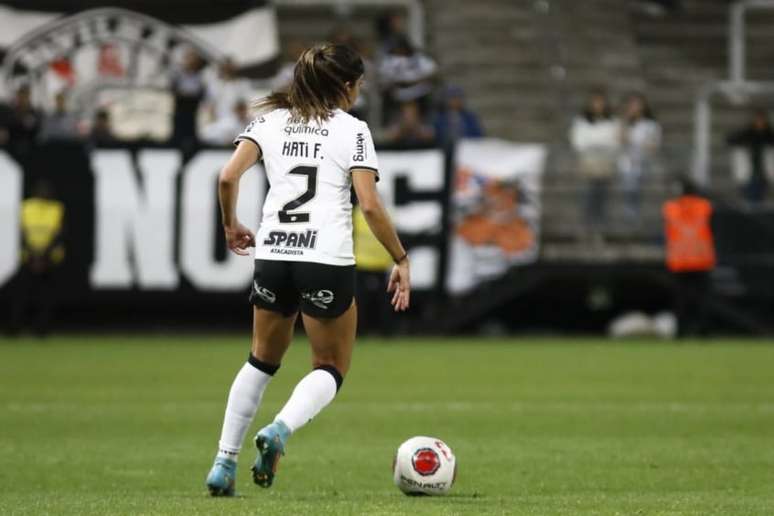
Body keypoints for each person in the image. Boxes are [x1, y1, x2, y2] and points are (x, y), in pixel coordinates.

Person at [205, 43, 411, 496]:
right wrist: (400, 257)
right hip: (325, 258)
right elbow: (370, 206)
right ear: (346, 86)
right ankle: (279, 429)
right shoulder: (352, 130)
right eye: (357, 85)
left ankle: (223, 462)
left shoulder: (268, 121)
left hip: (274, 253)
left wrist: (230, 224)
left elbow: (226, 177)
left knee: (261, 360)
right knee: (331, 366)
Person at [9, 180, 65, 336]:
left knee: (45, 298)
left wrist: (43, 256)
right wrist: (33, 255)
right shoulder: (26, 207)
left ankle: (42, 330)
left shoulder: (56, 209)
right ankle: (15, 328)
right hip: (28, 259)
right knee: (21, 296)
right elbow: (20, 233)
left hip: (49, 261)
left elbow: (59, 235)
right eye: (41, 190)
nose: (43, 193)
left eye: (46, 190)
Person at [663, 179, 715, 338]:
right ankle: (703, 331)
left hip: (679, 260)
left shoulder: (670, 208)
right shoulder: (704, 206)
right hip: (701, 259)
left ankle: (681, 331)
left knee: (681, 299)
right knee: (702, 299)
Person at [570, 90, 620, 240]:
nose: (598, 105)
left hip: (605, 164)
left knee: (602, 197)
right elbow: (578, 142)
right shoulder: (581, 121)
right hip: (588, 163)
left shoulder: (612, 122)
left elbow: (613, 142)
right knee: (587, 196)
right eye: (595, 102)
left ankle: (600, 230)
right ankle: (586, 227)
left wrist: (595, 143)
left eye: (601, 102)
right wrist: (598, 143)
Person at [618, 93, 661, 222]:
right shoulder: (624, 123)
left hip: (644, 165)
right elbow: (619, 139)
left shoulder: (651, 125)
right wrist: (625, 122)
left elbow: (653, 145)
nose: (634, 108)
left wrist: (635, 142)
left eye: (637, 105)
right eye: (632, 105)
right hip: (626, 165)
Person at [727, 109, 774, 204]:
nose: (760, 123)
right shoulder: (748, 133)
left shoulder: (769, 135)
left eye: (761, 120)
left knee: (759, 196)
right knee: (749, 196)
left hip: (763, 172)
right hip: (749, 171)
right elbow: (731, 140)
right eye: (758, 120)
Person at [170, 48, 206, 153]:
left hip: (193, 106)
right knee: (179, 127)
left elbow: (201, 91)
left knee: (191, 129)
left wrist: (193, 95)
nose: (191, 62)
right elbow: (173, 89)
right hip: (180, 106)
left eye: (194, 60)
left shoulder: (199, 76)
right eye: (189, 59)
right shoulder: (178, 75)